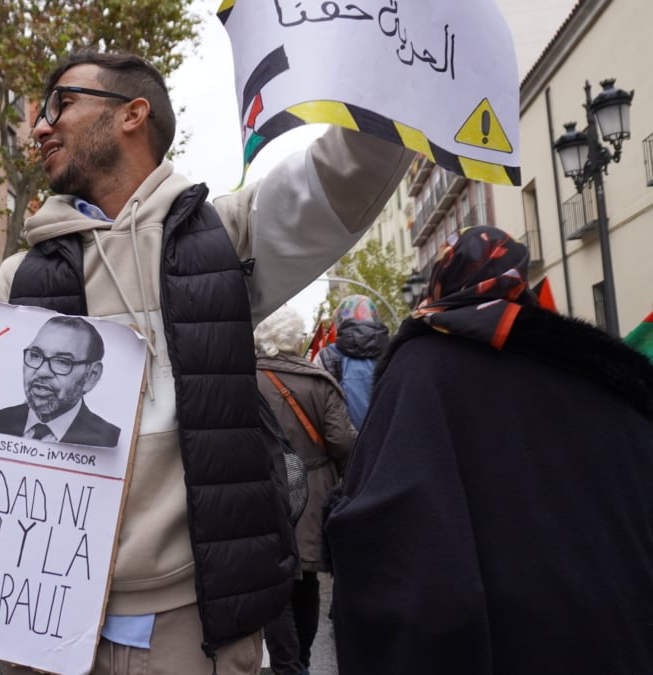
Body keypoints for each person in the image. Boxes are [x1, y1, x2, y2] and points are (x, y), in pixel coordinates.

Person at [0, 50, 410, 674]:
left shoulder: (225, 239)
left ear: (132, 114)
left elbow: (351, 169)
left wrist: (396, 47)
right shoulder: (16, 281)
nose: (39, 126)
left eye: (61, 103)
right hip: (44, 625)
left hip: (193, 631)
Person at [325, 226, 653, 674]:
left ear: (442, 280)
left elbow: (395, 538)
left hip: (504, 636)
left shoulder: (421, 367)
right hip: (607, 629)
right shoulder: (592, 369)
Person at [253, 306, 355, 675]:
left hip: (262, 490)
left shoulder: (245, 379)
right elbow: (343, 442)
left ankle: (288, 665)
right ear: (295, 339)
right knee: (306, 577)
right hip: (312, 490)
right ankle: (303, 661)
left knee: (273, 580)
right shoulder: (318, 381)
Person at [0, 316, 120, 448]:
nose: (42, 372)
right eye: (35, 355)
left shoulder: (110, 443)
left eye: (62, 362)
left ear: (91, 375)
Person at [317, 295, 388, 429]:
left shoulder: (326, 356)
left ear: (339, 319)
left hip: (347, 439)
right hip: (386, 436)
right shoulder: (393, 351)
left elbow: (319, 406)